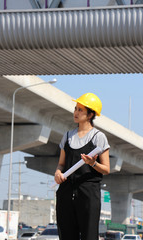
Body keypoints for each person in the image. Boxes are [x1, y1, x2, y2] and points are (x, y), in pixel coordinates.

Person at [54, 93, 110, 240]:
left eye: (80, 110)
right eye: (75, 109)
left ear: (90, 114)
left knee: (89, 236)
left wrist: (93, 163)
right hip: (66, 192)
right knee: (66, 235)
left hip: (88, 194)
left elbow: (106, 169)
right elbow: (61, 163)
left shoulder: (98, 137)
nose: (76, 113)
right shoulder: (67, 136)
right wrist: (57, 173)